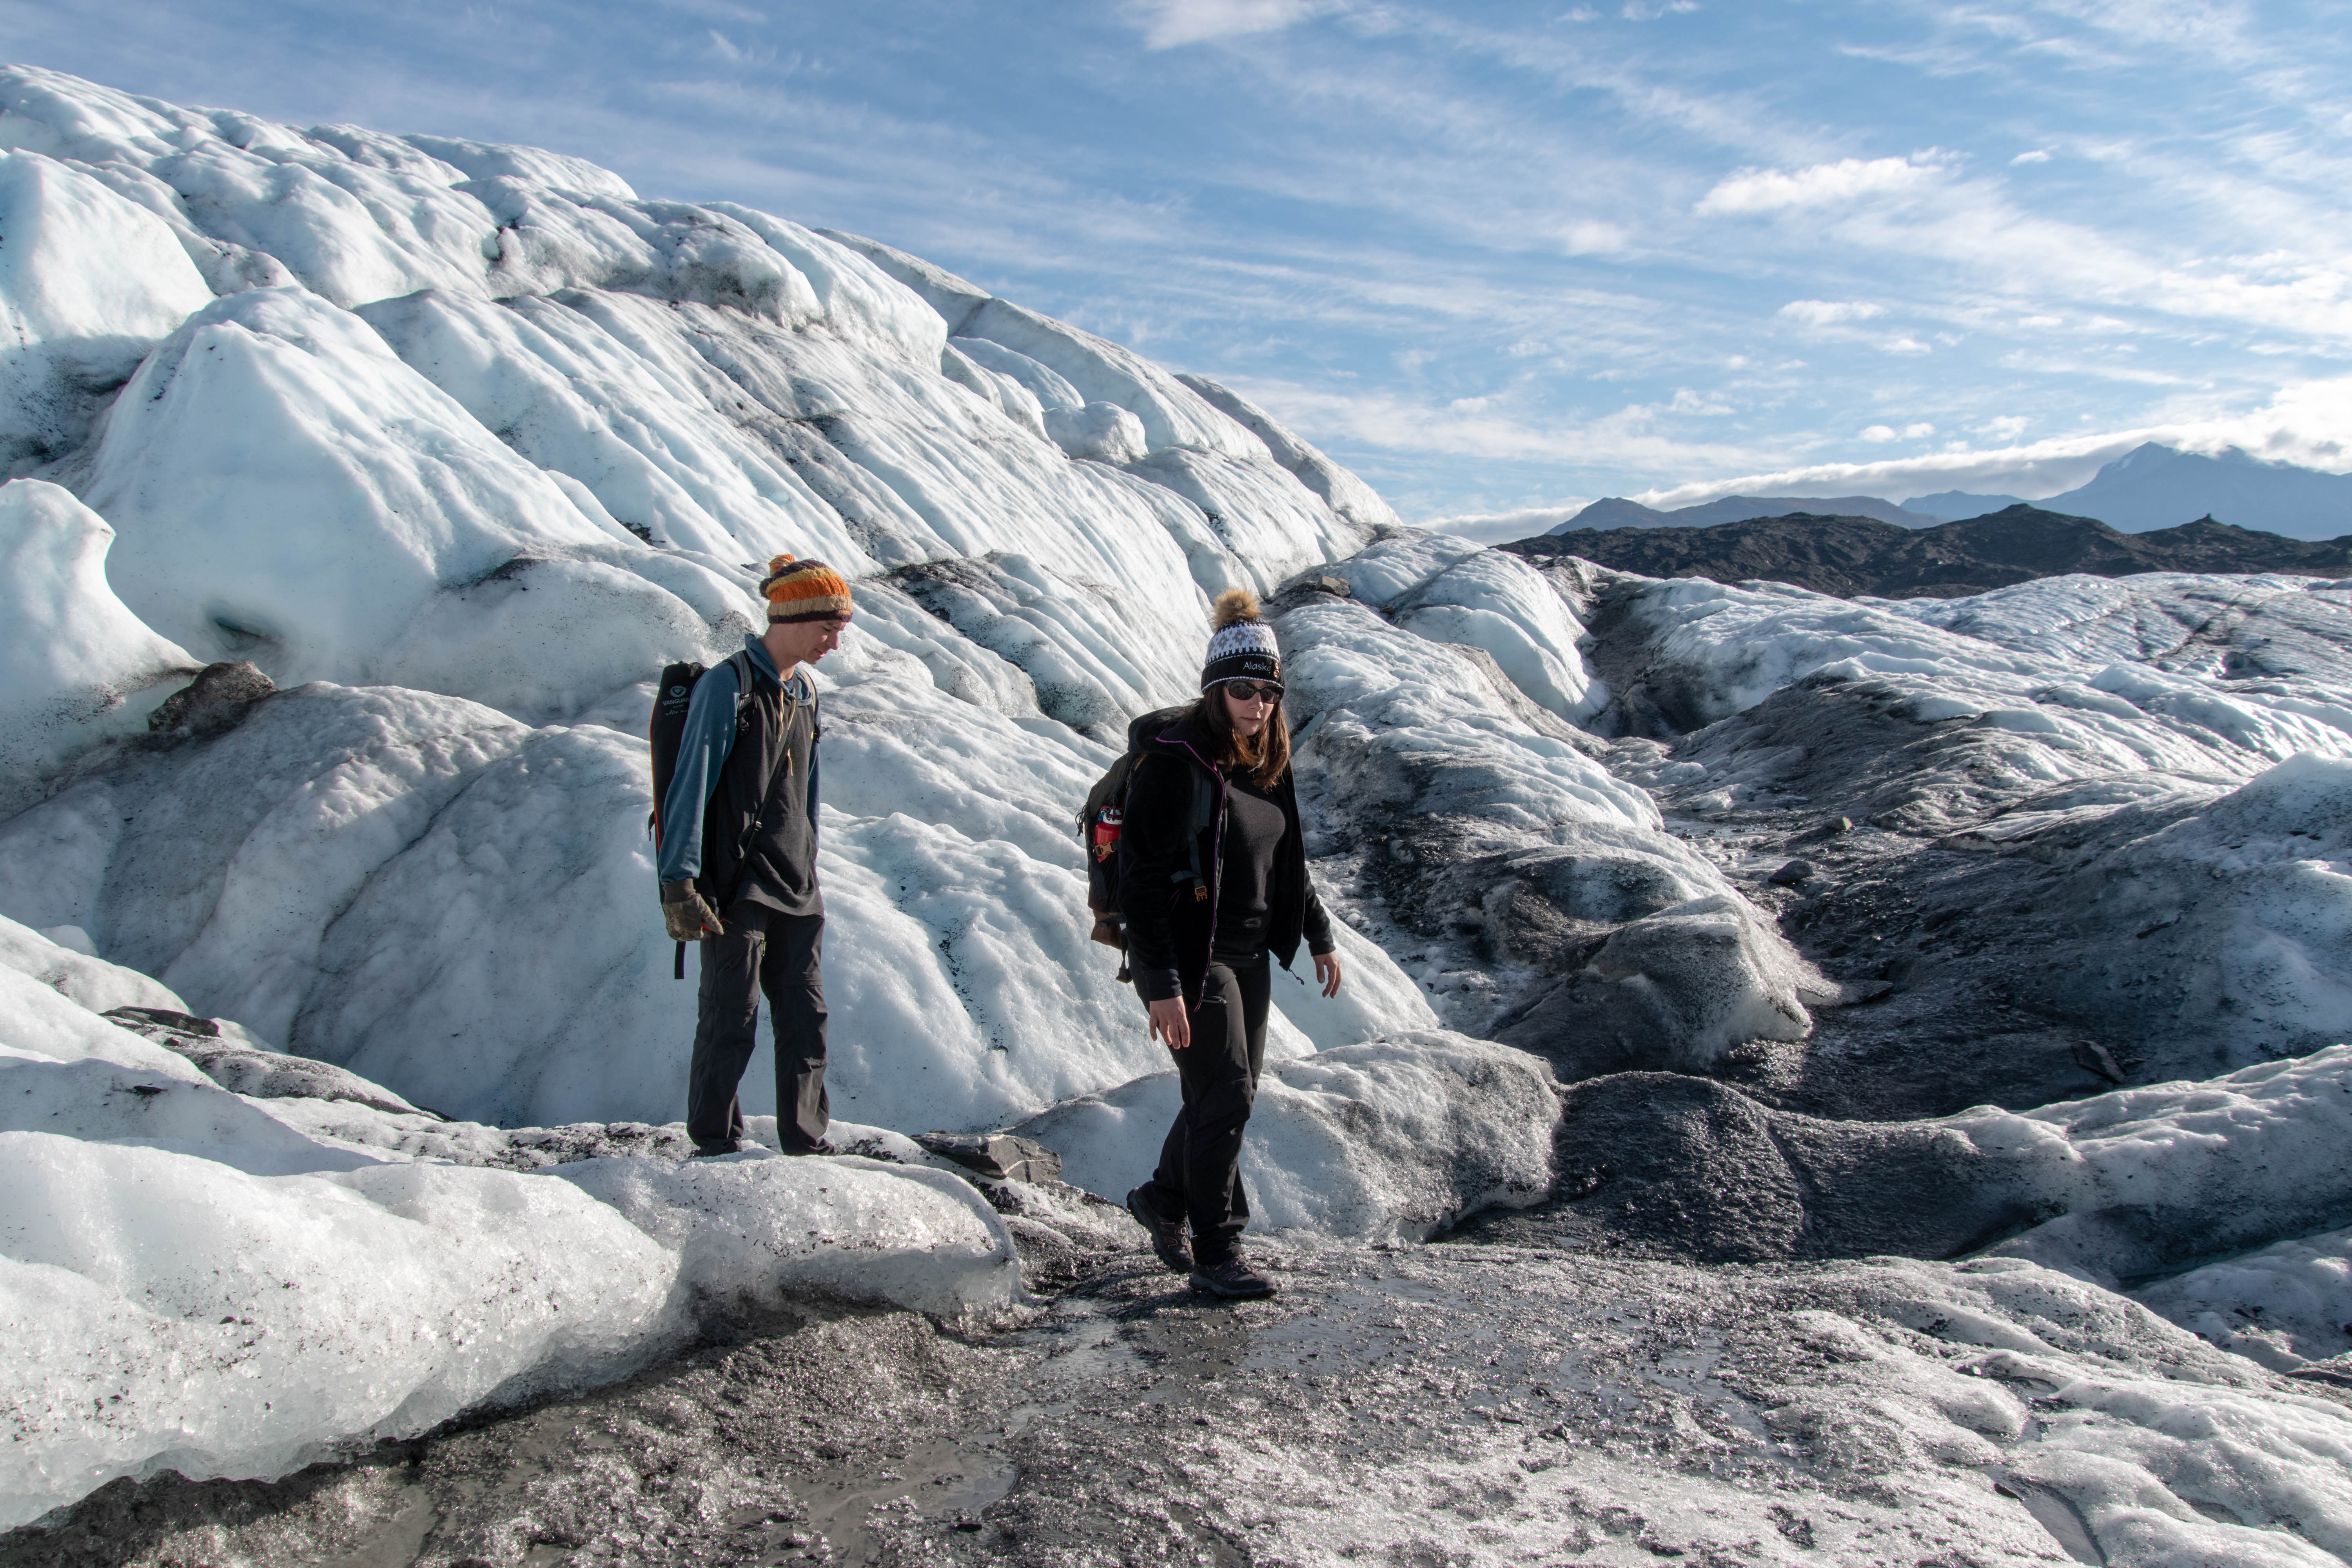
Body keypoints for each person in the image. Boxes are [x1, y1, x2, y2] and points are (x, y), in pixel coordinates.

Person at [1120, 588, 1343, 1299]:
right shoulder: (1173, 764)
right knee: (1228, 1095)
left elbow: (1288, 868)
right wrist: (1161, 982)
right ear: (1215, 689)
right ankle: (1220, 1250)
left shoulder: (1264, 764)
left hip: (1249, 957)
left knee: (1223, 1096)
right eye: (1243, 689)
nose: (1258, 703)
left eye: (1269, 691)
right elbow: (1142, 883)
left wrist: (1318, 934)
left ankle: (1163, 1197)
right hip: (1195, 958)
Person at [657, 555, 852, 1158]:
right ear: (793, 619)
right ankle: (715, 1142)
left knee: (806, 1019)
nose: (835, 643)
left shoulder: (805, 692)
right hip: (735, 884)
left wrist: (811, 866)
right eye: (829, 629)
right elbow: (691, 784)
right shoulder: (729, 685)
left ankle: (807, 1140)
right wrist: (680, 882)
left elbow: (807, 795)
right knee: (729, 1020)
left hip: (795, 884)